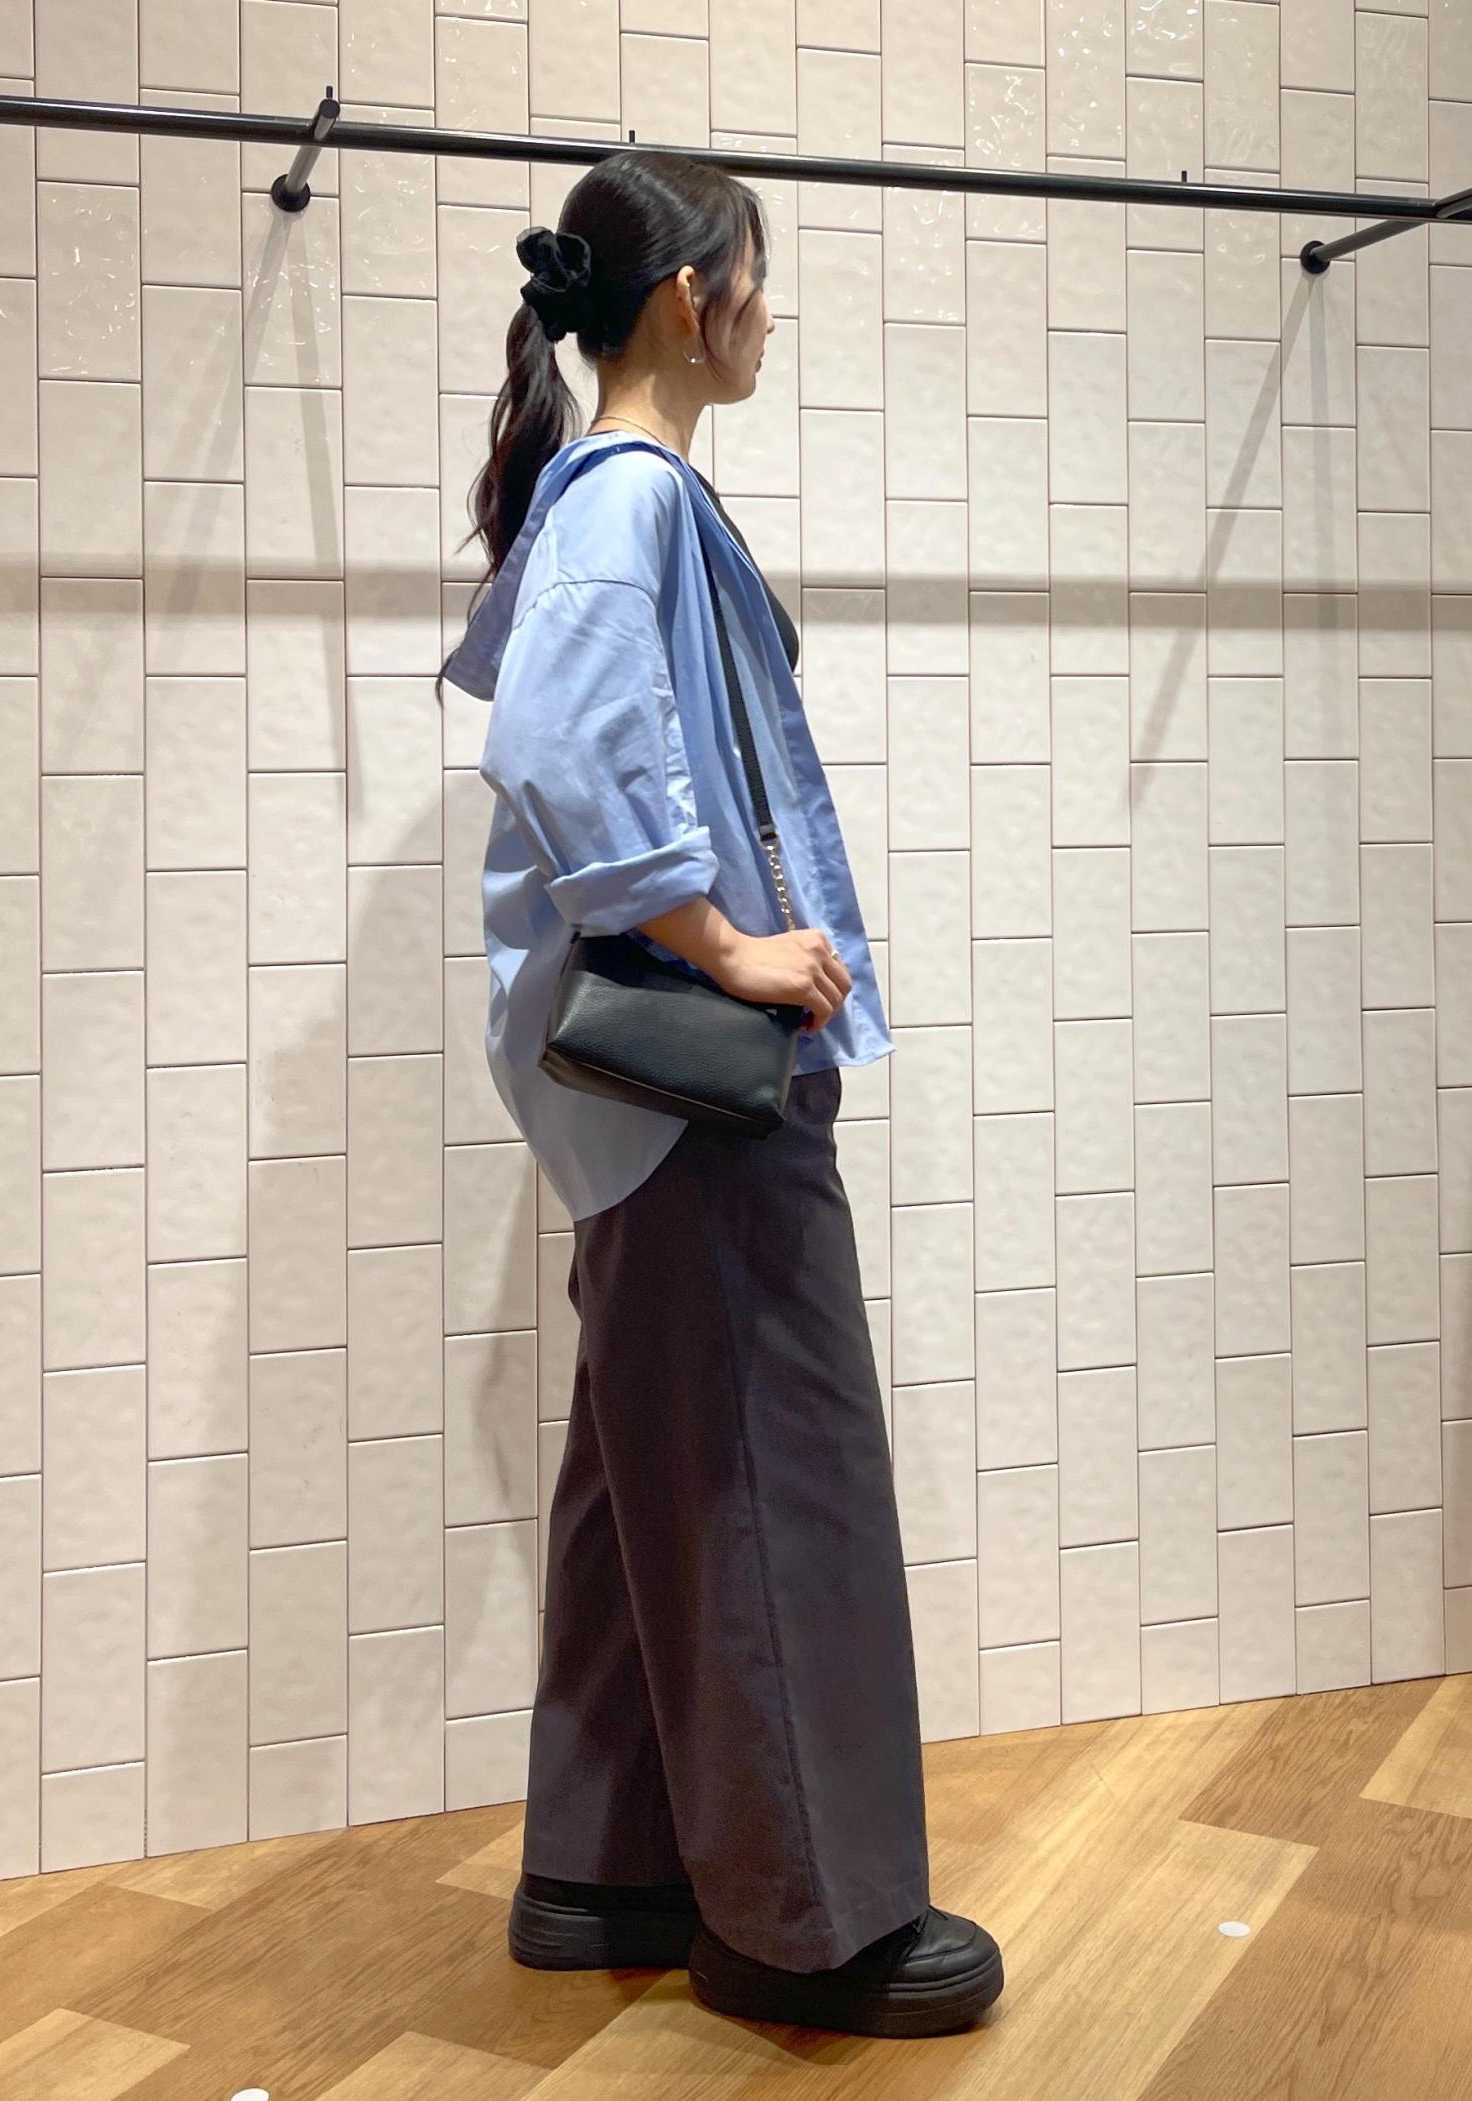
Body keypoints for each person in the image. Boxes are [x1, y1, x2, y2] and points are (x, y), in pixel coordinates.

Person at [438, 147, 1004, 2041]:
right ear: (694, 301)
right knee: (776, 1459)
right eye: (760, 279)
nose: (771, 315)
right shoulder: (631, 493)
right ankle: (798, 1919)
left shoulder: (610, 492)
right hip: (694, 1081)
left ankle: (605, 1868)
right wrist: (726, 943)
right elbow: (562, 741)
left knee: (657, 1454)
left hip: (635, 1092)